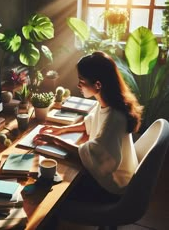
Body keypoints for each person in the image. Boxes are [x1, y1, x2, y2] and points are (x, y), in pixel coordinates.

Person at [33, 51, 143, 199]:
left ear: (98, 84)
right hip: (118, 178)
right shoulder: (108, 102)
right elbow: (90, 122)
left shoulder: (114, 118)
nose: (78, 85)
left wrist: (54, 140)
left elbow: (95, 155)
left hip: (112, 187)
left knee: (57, 187)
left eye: (81, 80)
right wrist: (61, 129)